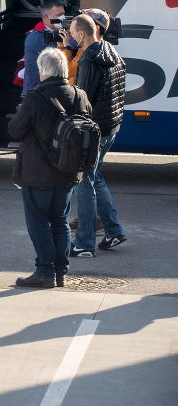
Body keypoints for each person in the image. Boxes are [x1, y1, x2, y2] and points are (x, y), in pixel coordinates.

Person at [8, 48, 92, 288]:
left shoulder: (35, 96)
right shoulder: (79, 95)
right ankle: (60, 273)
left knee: (39, 222)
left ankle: (44, 272)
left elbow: (15, 130)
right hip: (69, 170)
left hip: (38, 173)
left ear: (43, 71)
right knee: (60, 220)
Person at [70, 13, 128, 257]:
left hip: (93, 131)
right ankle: (113, 231)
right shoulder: (111, 52)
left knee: (82, 182)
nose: (72, 39)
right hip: (111, 127)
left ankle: (84, 243)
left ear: (82, 34)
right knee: (94, 177)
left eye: (73, 35)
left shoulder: (89, 60)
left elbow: (82, 101)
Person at [21, 0, 66, 99]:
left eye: (63, 14)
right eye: (59, 15)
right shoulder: (36, 36)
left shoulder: (62, 33)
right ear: (46, 17)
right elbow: (32, 70)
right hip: (38, 94)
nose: (62, 18)